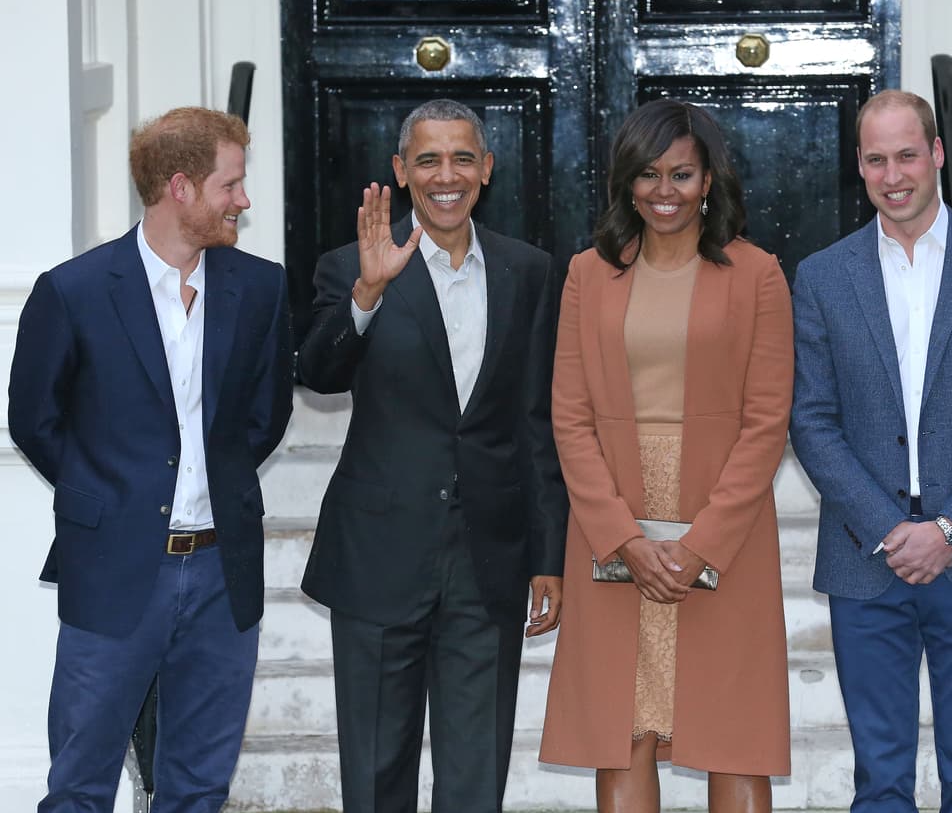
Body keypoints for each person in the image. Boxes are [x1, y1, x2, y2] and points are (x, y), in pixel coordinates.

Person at [7, 106, 294, 812]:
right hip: (113, 570)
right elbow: (33, 420)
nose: (244, 200)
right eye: (231, 185)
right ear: (181, 187)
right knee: (79, 785)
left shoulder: (259, 288)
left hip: (223, 574)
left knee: (197, 786)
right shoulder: (72, 291)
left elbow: (265, 415)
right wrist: (105, 495)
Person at [297, 98, 567, 813]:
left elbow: (534, 421)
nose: (445, 175)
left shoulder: (529, 270)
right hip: (380, 554)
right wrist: (368, 291)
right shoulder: (349, 264)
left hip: (489, 559)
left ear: (486, 169)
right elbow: (318, 370)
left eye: (461, 158)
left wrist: (549, 553)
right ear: (400, 170)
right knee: (377, 771)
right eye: (427, 159)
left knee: (475, 774)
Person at [789, 89, 952, 813]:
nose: (893, 173)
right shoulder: (821, 276)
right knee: (879, 782)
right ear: (860, 167)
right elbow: (811, 420)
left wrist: (948, 528)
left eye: (907, 154)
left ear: (937, 153)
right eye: (876, 159)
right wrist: (887, 527)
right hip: (864, 553)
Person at [539, 98, 793, 811]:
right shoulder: (588, 274)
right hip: (614, 511)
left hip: (725, 526)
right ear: (627, 182)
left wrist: (702, 542)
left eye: (681, 174)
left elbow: (766, 421)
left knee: (733, 731)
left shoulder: (758, 274)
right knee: (624, 729)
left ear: (708, 179)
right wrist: (622, 535)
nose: (664, 191)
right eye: (648, 174)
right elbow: (570, 417)